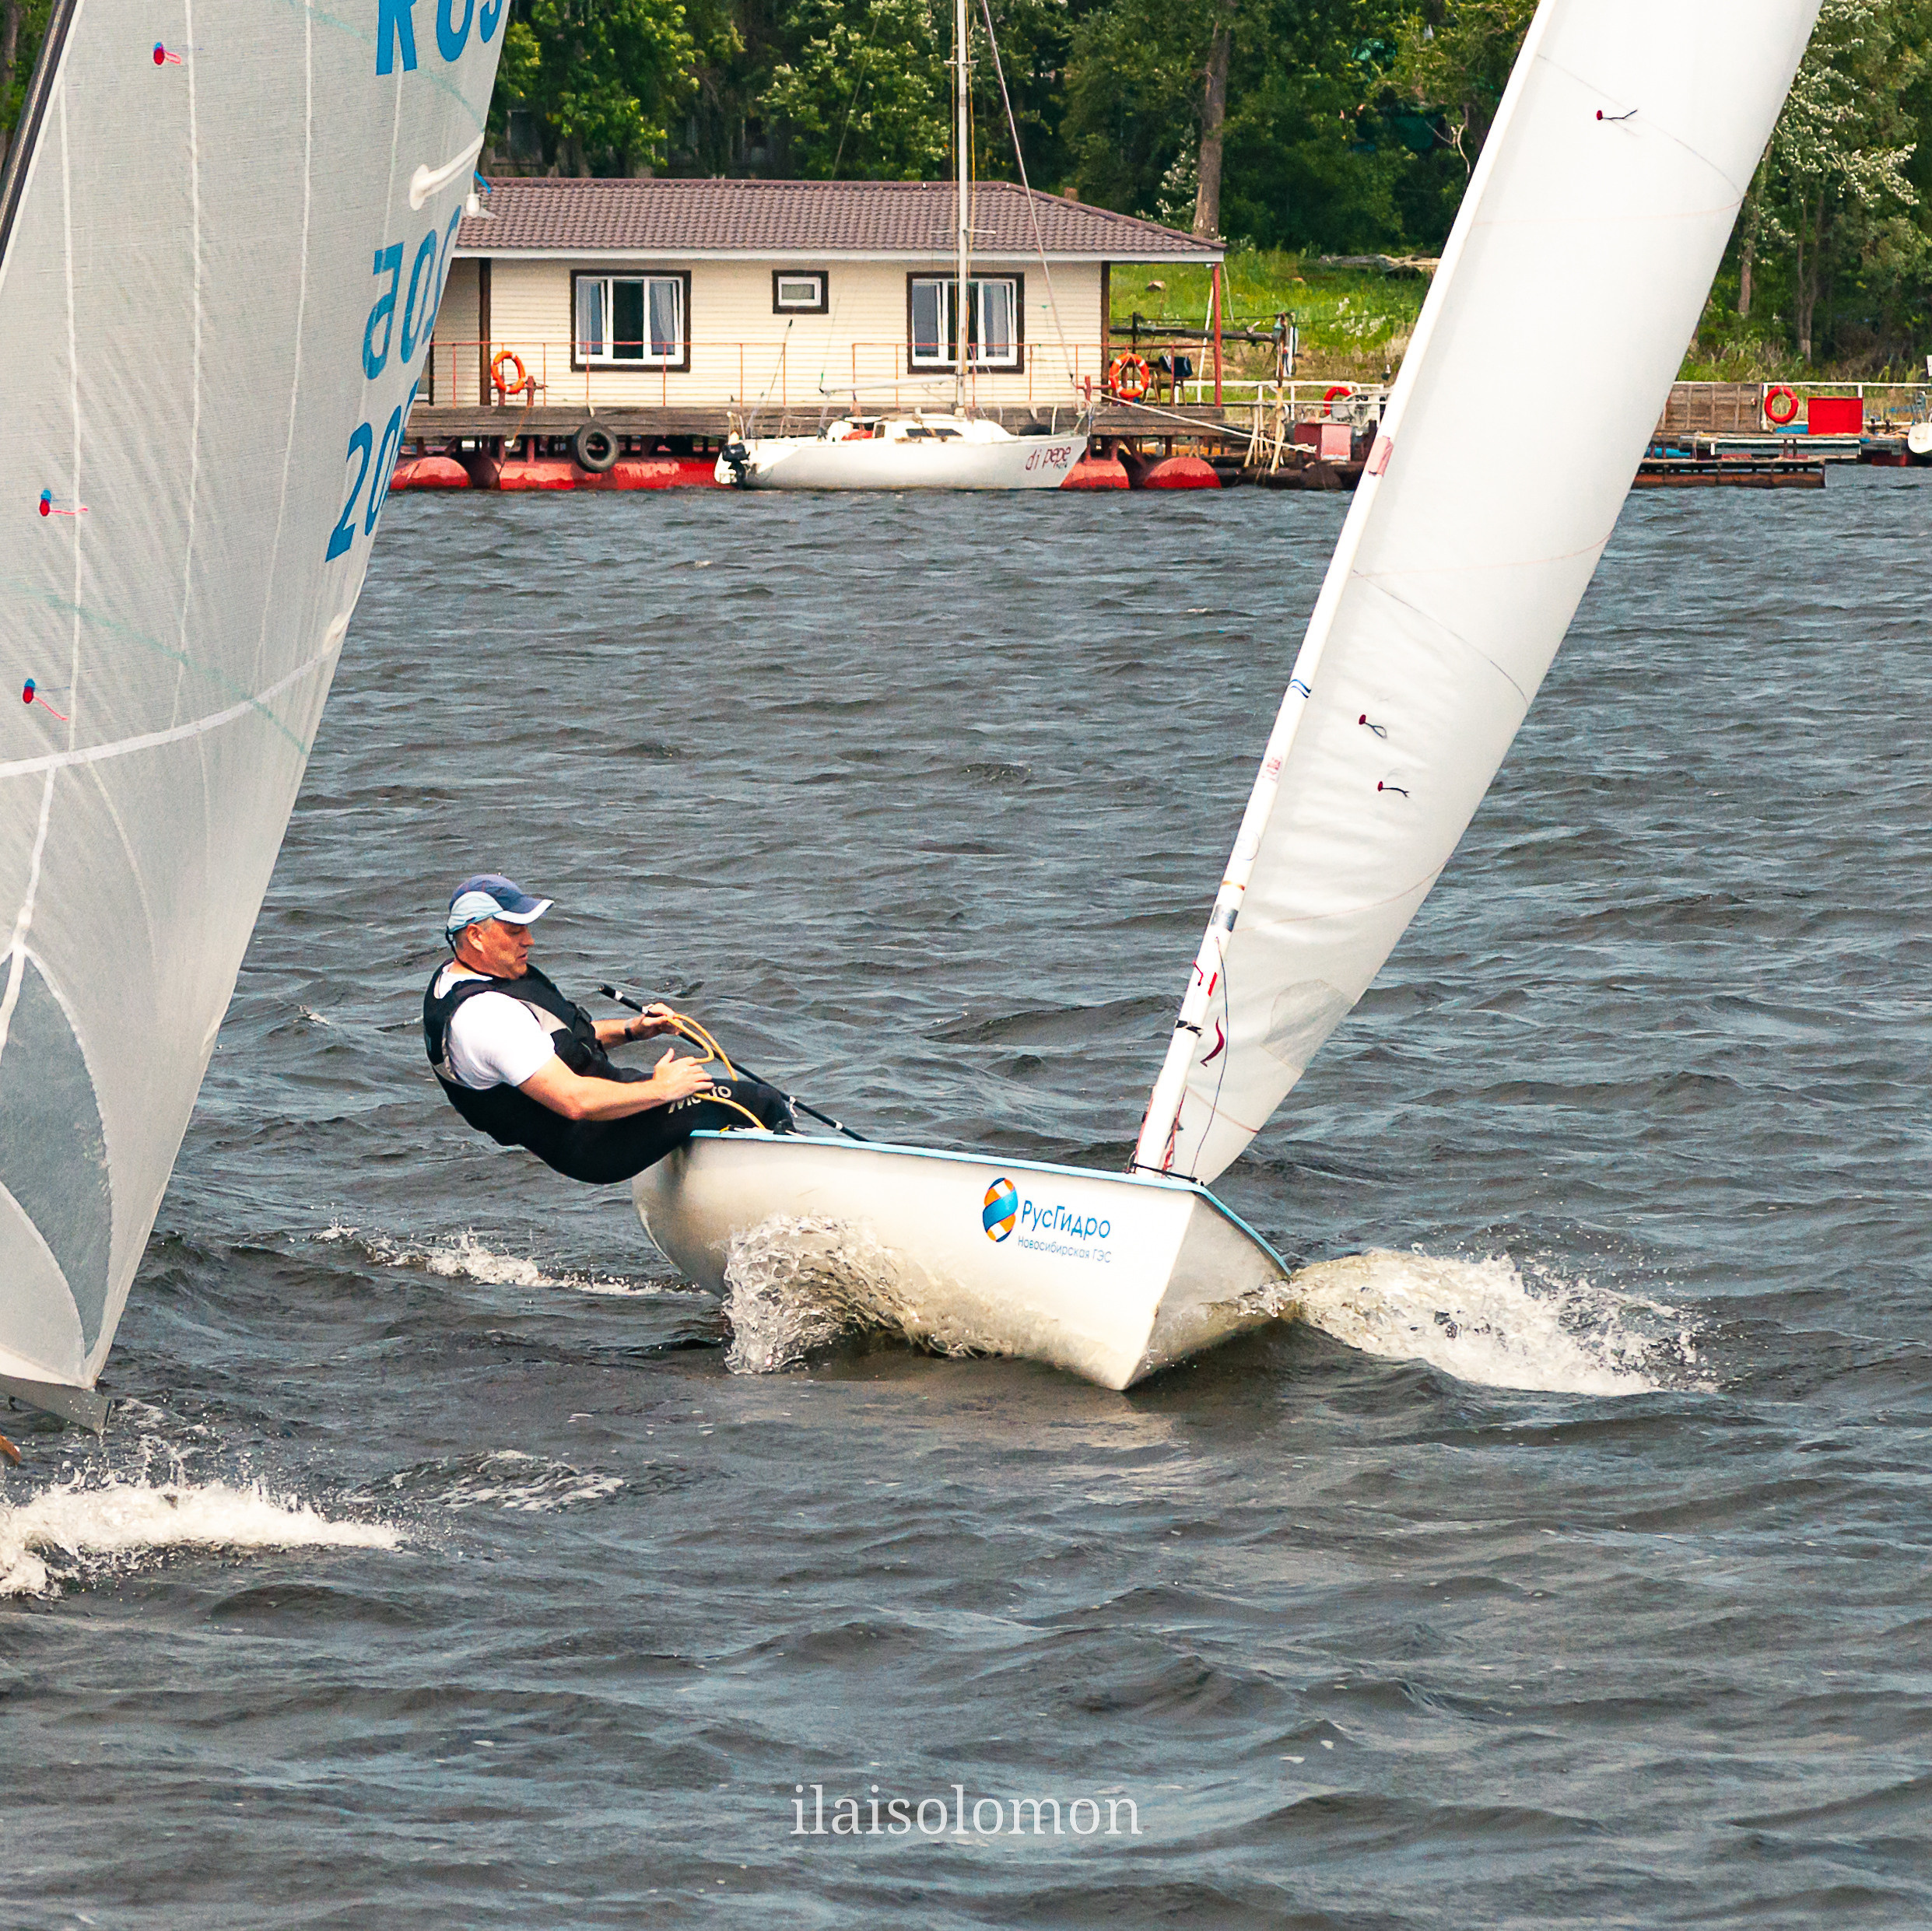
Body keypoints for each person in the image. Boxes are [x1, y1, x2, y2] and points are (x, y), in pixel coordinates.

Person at [423, 874, 792, 1184]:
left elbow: (556, 1043)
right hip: (597, 1141)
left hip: (607, 1106)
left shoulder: (464, 977)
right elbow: (574, 1101)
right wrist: (661, 1089)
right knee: (759, 1102)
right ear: (475, 936)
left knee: (714, 1099)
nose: (529, 940)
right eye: (515, 930)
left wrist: (633, 1029)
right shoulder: (485, 1017)